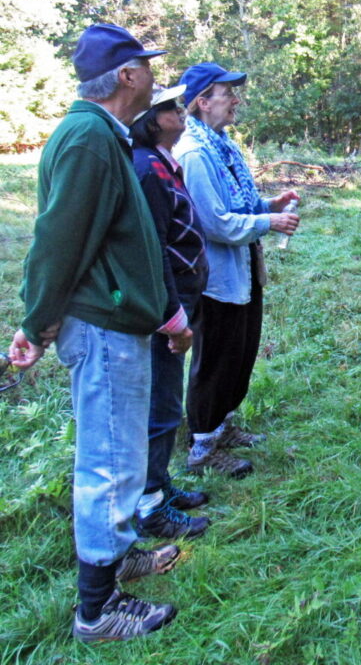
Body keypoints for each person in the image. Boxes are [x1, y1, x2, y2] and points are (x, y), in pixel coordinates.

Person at [9, 23, 182, 641]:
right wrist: (36, 321)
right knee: (108, 464)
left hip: (115, 320)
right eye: (148, 65)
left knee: (121, 454)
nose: (157, 77)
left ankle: (118, 553)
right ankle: (97, 610)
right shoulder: (87, 137)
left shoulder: (101, 133)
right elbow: (58, 239)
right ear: (129, 76)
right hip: (103, 326)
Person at [173, 62, 300, 477]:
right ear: (203, 101)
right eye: (228, 94)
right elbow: (216, 223)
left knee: (239, 354)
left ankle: (223, 427)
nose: (236, 101)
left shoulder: (222, 145)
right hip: (215, 279)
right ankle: (202, 447)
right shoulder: (194, 153)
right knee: (216, 360)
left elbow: (236, 207)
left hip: (242, 272)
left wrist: (270, 207)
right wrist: (270, 223)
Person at [130, 84, 211, 540]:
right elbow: (153, 246)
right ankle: (150, 507)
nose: (179, 114)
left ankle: (161, 486)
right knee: (160, 407)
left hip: (180, 298)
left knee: (166, 401)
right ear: (152, 120)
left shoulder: (163, 164)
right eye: (170, 109)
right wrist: (172, 312)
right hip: (167, 306)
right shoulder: (147, 170)